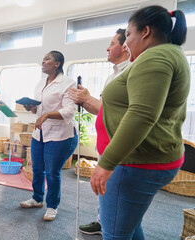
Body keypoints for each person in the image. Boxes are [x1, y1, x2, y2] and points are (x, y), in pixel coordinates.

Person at [90, 5, 189, 239]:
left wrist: (107, 162)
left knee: (115, 234)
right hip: (144, 159)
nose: (126, 43)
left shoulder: (156, 57)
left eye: (129, 35)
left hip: (136, 163)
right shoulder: (169, 53)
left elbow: (142, 115)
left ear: (145, 32)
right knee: (129, 228)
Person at [69, 29, 130, 235]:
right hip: (106, 142)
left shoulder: (130, 72)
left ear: (124, 47)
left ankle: (109, 223)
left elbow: (117, 112)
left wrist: (86, 98)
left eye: (112, 43)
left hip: (118, 144)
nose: (107, 48)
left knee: (116, 196)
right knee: (107, 193)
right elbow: (101, 109)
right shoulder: (113, 74)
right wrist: (84, 100)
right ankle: (102, 220)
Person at [19, 51, 78, 221]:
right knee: (37, 168)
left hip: (60, 135)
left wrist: (46, 116)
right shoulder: (40, 84)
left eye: (47, 59)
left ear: (57, 63)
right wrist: (30, 107)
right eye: (43, 59)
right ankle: (37, 198)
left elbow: (69, 111)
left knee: (52, 172)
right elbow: (38, 110)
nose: (43, 62)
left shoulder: (68, 83)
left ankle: (52, 206)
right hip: (40, 134)